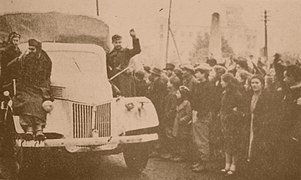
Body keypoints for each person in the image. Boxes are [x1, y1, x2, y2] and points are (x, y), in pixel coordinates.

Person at [11, 39, 53, 141]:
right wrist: (21, 58)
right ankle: (28, 129)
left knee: (39, 101)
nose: (30, 51)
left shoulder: (45, 59)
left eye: (32, 49)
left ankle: (39, 129)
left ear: (38, 49)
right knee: (25, 100)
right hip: (26, 87)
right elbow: (14, 68)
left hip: (40, 86)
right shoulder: (25, 57)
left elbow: (46, 75)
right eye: (29, 49)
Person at [246, 75, 279, 179]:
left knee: (259, 146)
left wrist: (262, 121)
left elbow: (272, 112)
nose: (254, 85)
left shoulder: (267, 96)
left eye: (257, 83)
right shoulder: (249, 95)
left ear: (262, 84)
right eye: (252, 83)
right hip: (251, 122)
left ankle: (261, 172)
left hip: (262, 125)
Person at [190, 63, 215, 172]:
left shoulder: (208, 86)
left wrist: (199, 114)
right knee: (197, 139)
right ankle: (200, 161)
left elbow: (207, 103)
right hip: (198, 113)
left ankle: (204, 163)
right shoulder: (200, 85)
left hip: (203, 115)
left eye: (198, 72)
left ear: (204, 74)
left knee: (202, 140)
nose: (196, 74)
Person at [219, 73, 244, 177]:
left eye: (222, 81)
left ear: (228, 82)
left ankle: (233, 164)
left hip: (233, 122)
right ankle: (227, 164)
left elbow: (240, 109)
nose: (221, 83)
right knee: (227, 142)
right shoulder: (225, 93)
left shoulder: (236, 94)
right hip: (225, 121)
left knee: (233, 143)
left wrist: (233, 113)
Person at [106, 29, 141, 97]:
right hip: (115, 80)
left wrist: (134, 38)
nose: (118, 44)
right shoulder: (109, 55)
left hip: (126, 80)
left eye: (119, 42)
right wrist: (116, 70)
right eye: (116, 42)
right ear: (113, 43)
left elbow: (137, 50)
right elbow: (107, 70)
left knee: (127, 99)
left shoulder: (126, 52)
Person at [160, 76, 181, 159]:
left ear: (172, 84)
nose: (167, 84)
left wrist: (167, 116)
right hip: (169, 118)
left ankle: (173, 153)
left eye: (169, 82)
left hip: (170, 120)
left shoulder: (173, 95)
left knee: (170, 135)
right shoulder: (172, 94)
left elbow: (173, 108)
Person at [172, 86, 192, 162]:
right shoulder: (178, 101)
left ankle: (183, 156)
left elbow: (189, 115)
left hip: (183, 125)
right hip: (177, 124)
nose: (176, 94)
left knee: (183, 140)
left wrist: (182, 120)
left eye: (178, 93)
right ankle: (180, 155)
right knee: (179, 139)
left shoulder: (186, 103)